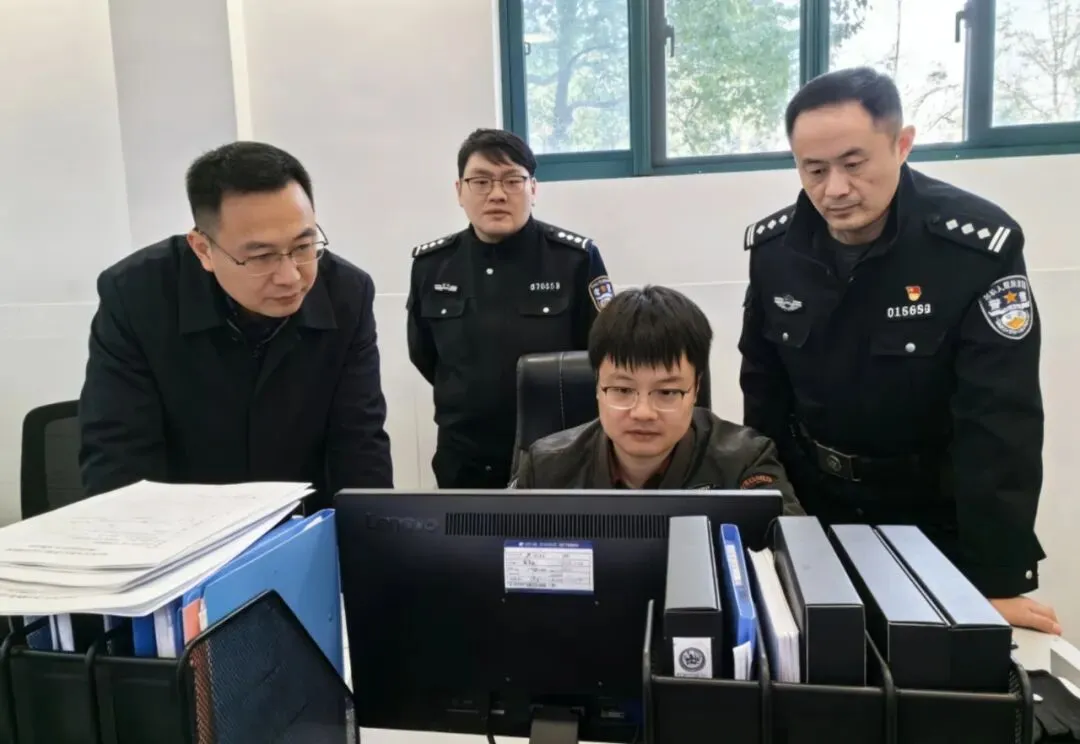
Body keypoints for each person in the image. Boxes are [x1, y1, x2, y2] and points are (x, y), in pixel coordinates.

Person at [738, 67, 1058, 633]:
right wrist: (765, 520)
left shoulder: (973, 249)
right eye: (814, 169)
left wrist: (996, 580)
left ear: (902, 144)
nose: (834, 189)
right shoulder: (775, 252)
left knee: (941, 671)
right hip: (815, 507)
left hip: (933, 517)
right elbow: (763, 399)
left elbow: (999, 423)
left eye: (853, 163)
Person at [78, 141, 393, 508]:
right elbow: (118, 458)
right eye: (261, 256)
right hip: (184, 527)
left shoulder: (347, 294)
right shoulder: (136, 295)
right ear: (203, 250)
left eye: (303, 246)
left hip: (303, 523)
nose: (291, 276)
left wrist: (369, 534)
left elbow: (360, 445)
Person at [407, 128, 613, 489]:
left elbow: (605, 356)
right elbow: (425, 355)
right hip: (464, 460)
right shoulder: (432, 265)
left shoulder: (575, 260)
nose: (497, 194)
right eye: (481, 181)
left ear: (533, 188)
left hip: (558, 456)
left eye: (512, 180)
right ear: (459, 191)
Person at [511, 285, 802, 514]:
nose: (643, 412)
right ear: (598, 387)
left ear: (695, 388)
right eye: (623, 390)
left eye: (667, 392)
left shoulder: (745, 462)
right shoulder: (546, 469)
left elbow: (791, 551)